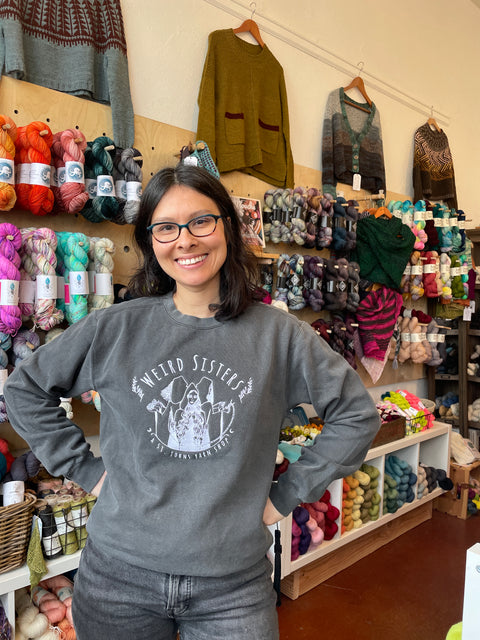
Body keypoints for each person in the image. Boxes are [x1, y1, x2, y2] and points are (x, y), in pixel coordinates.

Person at [4, 164, 380, 640]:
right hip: (118, 576)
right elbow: (24, 389)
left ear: (227, 225)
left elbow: (355, 416)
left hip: (232, 586)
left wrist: (286, 495)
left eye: (201, 221)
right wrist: (85, 471)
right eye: (166, 227)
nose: (185, 240)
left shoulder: (280, 336)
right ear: (150, 240)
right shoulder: (116, 328)